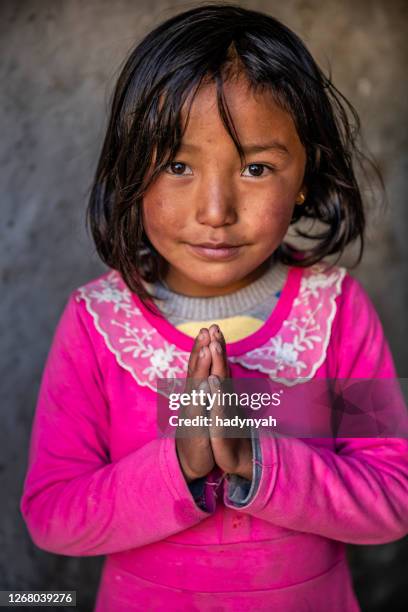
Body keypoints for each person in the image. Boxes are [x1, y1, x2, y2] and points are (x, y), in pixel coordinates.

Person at [20, 4, 408, 611]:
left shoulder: (335, 311)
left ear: (305, 174)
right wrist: (181, 460)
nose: (215, 210)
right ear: (131, 171)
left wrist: (257, 457)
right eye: (178, 166)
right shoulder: (98, 321)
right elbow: (53, 515)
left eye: (256, 167)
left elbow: (392, 499)